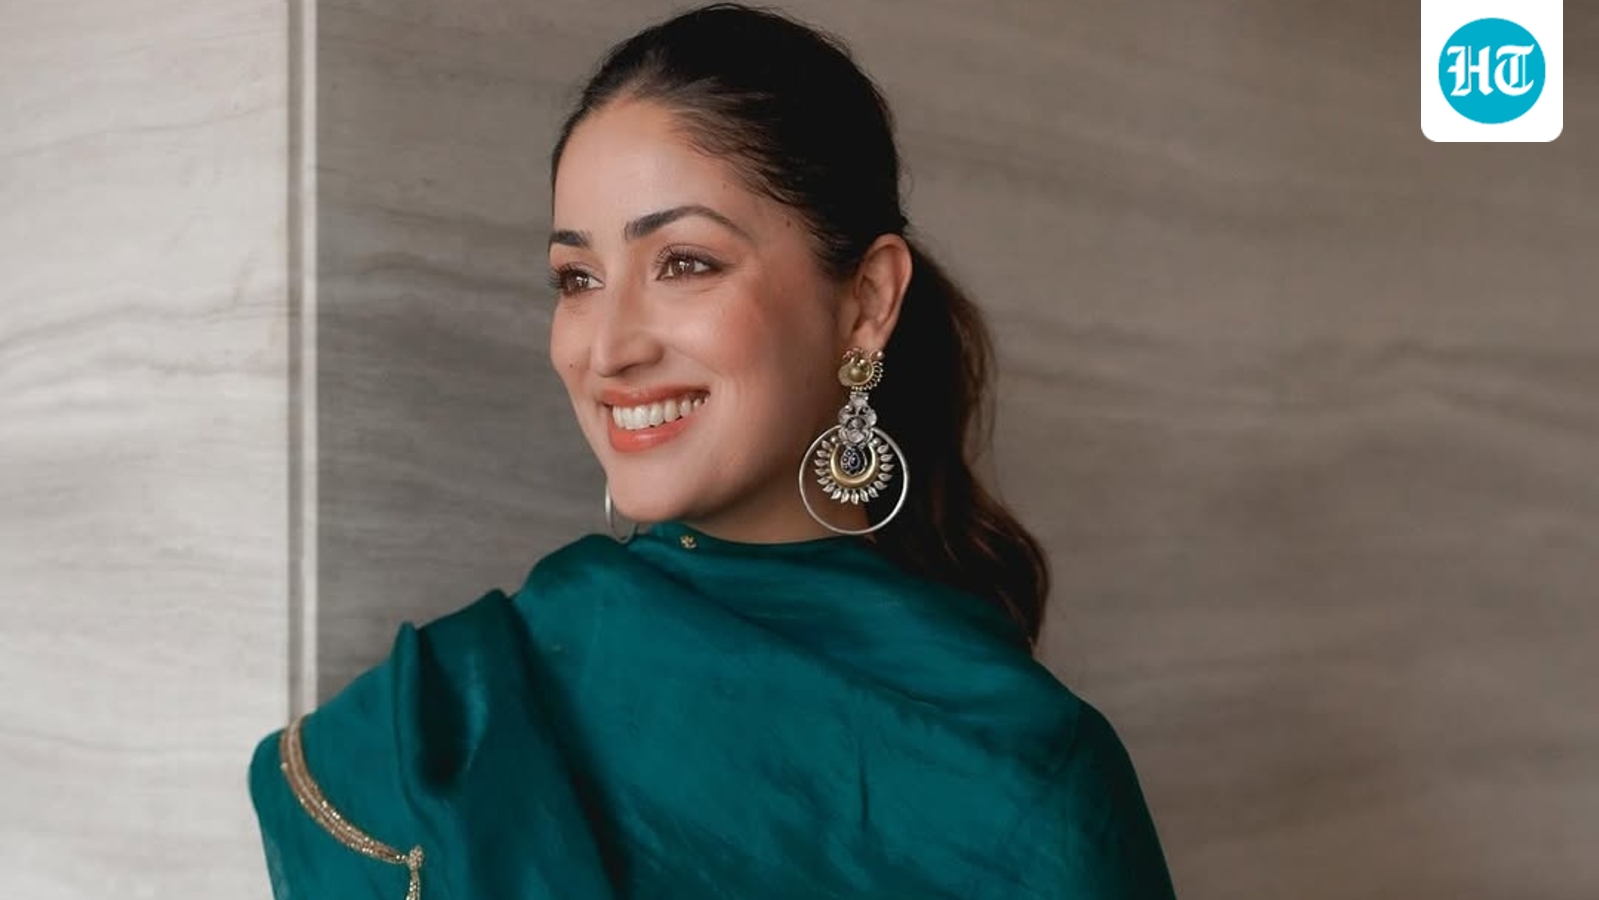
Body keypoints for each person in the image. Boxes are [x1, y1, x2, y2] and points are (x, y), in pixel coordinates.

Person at [247, 4, 1177, 898]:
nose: (608, 349)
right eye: (576, 278)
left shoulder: (1022, 774)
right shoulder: (443, 732)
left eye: (684, 263)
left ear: (866, 301)